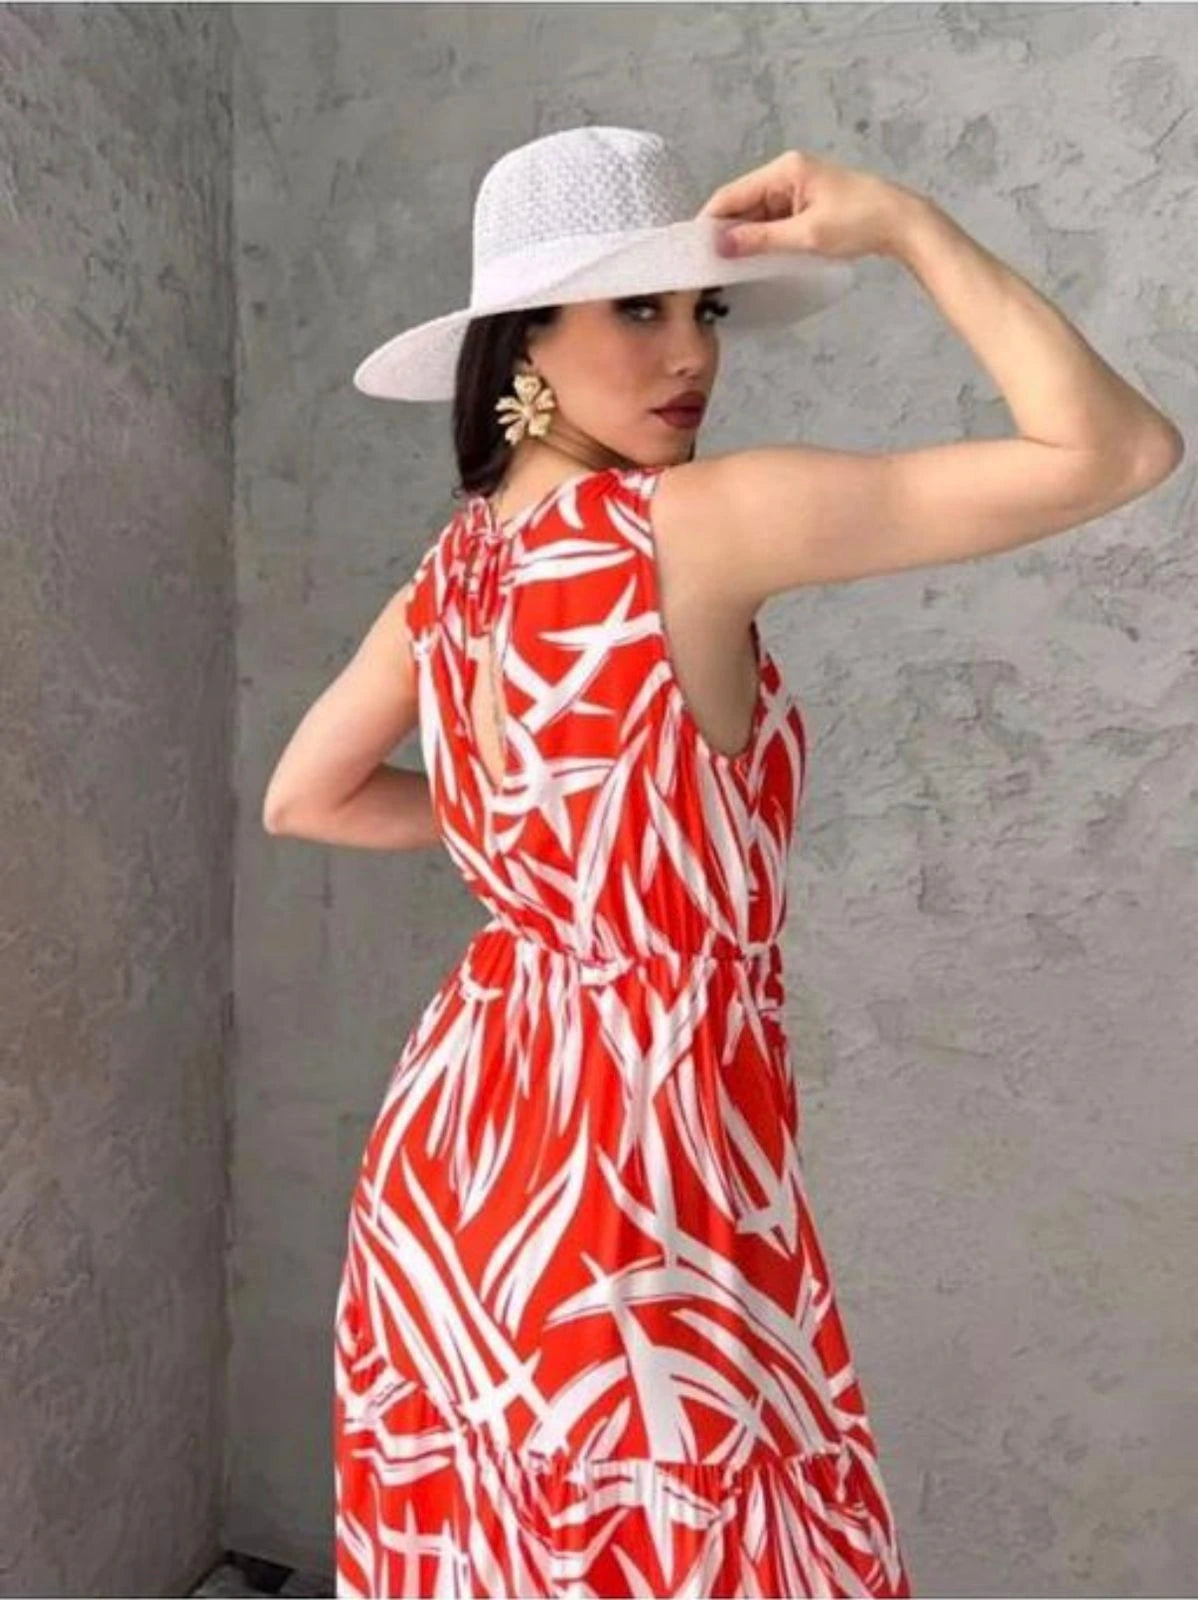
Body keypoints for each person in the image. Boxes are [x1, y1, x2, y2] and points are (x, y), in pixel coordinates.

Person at [263, 127, 1182, 1599]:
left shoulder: (453, 573)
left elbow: (304, 798)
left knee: (509, 1540)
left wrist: (544, 822)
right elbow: (1115, 452)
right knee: (684, 1545)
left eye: (706, 309)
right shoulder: (687, 525)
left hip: (463, 1144)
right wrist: (905, 225)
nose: (692, 351)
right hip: (632, 1162)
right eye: (638, 307)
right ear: (525, 340)